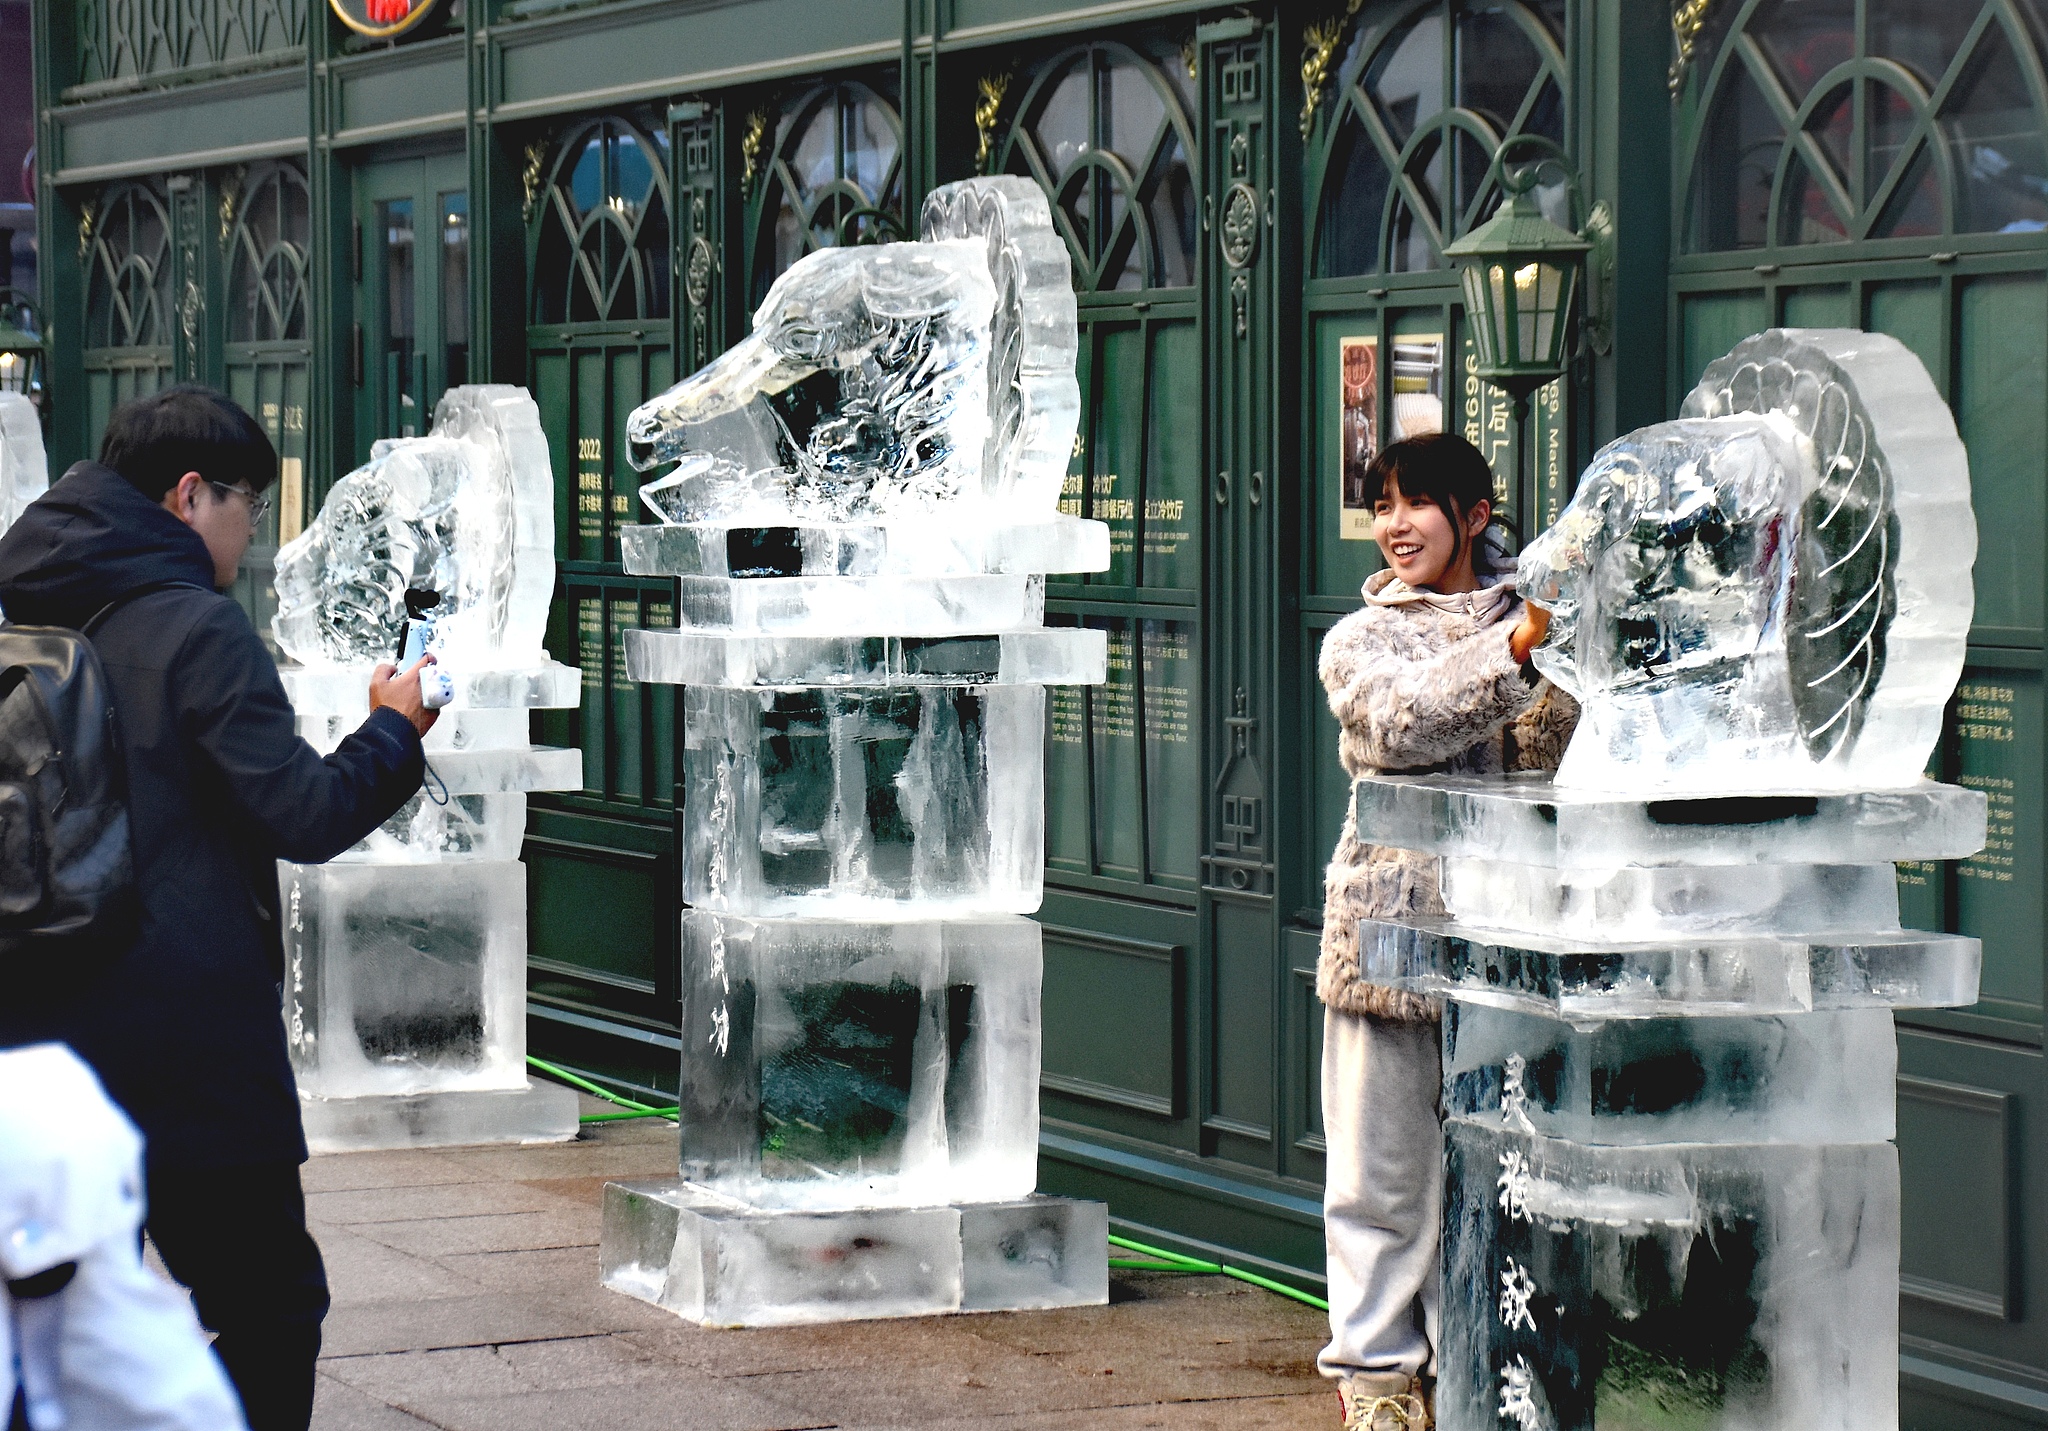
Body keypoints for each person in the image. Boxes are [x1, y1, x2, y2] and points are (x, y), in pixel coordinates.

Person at [0, 385, 437, 1431]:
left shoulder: (25, 608)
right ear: (190, 496)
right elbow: (304, 812)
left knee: (54, 1319)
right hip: (184, 1041)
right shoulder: (198, 628)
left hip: (40, 1029)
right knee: (266, 1304)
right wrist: (395, 730)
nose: (257, 534)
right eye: (251, 504)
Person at [1314, 432, 1576, 1431]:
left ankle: (1487, 1365)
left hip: (1516, 939)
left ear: (1471, 516)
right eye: (1381, 505)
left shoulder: (1550, 621)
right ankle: (1377, 1378)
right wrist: (1516, 648)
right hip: (1390, 932)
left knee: (1509, 1172)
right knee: (1380, 1174)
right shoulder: (1361, 638)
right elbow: (1398, 723)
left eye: (1415, 504)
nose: (1392, 526)